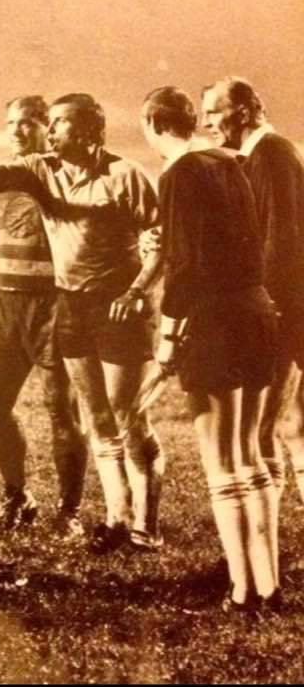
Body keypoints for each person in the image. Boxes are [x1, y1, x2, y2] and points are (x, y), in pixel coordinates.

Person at [0, 92, 165, 553]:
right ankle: (107, 518)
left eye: (54, 123)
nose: (46, 131)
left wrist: (137, 291)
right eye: (46, 123)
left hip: (98, 307)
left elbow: (158, 237)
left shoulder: (123, 175)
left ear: (90, 131)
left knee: (119, 415)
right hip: (45, 308)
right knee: (77, 414)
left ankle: (129, 523)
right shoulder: (35, 172)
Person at [142, 86, 280, 612]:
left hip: (216, 321)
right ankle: (268, 583)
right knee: (250, 456)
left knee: (222, 467)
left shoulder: (178, 173)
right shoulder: (232, 160)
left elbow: (185, 267)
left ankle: (243, 592)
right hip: (256, 310)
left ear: (154, 123)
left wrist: (166, 344)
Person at [0, 95, 86, 536]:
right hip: (7, 306)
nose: (16, 130)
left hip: (55, 306)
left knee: (61, 411)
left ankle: (69, 512)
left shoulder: (64, 176)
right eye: (11, 122)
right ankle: (18, 496)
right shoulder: (0, 181)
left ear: (48, 127)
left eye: (28, 122)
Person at [203, 77, 304, 531]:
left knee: (262, 428)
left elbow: (281, 239)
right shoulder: (262, 154)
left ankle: (267, 548)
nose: (207, 122)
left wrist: (266, 304)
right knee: (291, 423)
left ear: (242, 111)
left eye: (214, 111)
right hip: (286, 303)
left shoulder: (272, 154)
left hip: (284, 307)